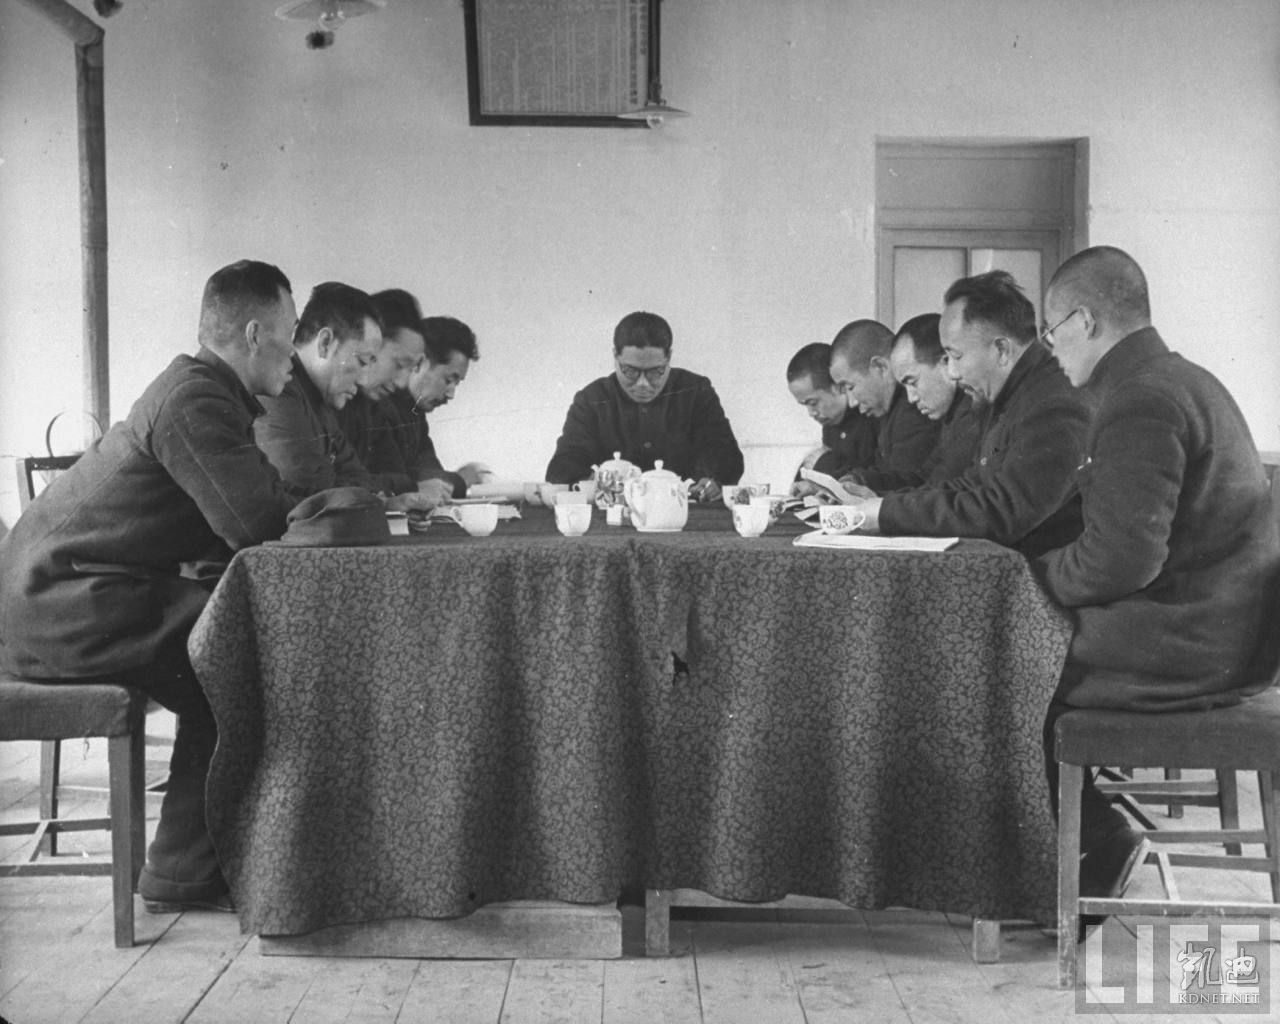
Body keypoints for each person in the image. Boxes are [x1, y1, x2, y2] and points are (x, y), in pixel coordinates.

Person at [0, 259, 301, 911]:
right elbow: (258, 522)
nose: (295, 351)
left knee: (239, 646)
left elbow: (254, 511)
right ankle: (183, 871)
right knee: (239, 654)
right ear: (256, 334)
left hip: (76, 596)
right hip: (65, 604)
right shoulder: (196, 399)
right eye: (292, 330)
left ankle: (195, 863)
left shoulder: (207, 393)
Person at [1032, 246, 1280, 904]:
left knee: (1001, 670)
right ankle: (1073, 846)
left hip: (1189, 645)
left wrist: (1034, 577)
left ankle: (1096, 845)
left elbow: (1120, 558)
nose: (1052, 352)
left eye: (1051, 333)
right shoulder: (1180, 379)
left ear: (1084, 321)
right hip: (1226, 634)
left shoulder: (1140, 399)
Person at [846, 271, 1090, 557]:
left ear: (1001, 350)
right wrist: (883, 503)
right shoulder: (1007, 395)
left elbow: (1004, 512)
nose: (952, 373)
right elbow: (973, 484)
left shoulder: (1051, 403)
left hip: (1046, 573)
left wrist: (887, 513)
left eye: (956, 356)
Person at [253, 282, 436, 512]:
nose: (363, 379)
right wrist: (376, 498)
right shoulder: (280, 392)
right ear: (325, 343)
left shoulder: (321, 399)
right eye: (362, 361)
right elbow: (315, 491)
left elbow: (358, 477)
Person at [545, 311, 743, 502]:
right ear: (615, 356)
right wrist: (593, 482)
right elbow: (561, 468)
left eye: (655, 371)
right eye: (630, 371)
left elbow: (727, 457)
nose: (643, 384)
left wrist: (713, 480)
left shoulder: (696, 392)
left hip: (684, 514)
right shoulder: (591, 400)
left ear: (669, 357)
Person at [819, 319, 939, 493]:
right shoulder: (887, 410)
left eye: (850, 387)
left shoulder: (914, 409)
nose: (852, 402)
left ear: (880, 367)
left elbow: (906, 482)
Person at [884, 313, 981, 486]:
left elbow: (937, 488)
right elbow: (923, 477)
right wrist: (864, 483)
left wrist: (879, 499)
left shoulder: (972, 415)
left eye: (912, 382)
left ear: (946, 362)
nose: (911, 398)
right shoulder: (954, 413)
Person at [785, 342, 878, 479]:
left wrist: (824, 465)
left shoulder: (872, 414)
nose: (811, 413)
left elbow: (876, 474)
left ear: (838, 386)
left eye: (813, 403)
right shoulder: (831, 424)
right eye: (804, 405)